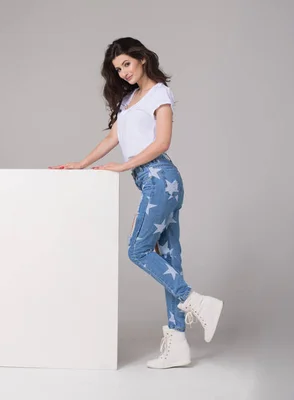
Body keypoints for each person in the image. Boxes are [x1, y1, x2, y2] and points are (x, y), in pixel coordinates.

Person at [50, 37, 223, 369]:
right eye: (118, 69)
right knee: (169, 258)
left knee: (138, 250)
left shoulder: (159, 93)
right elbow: (112, 138)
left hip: (160, 178)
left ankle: (196, 301)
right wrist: (81, 163)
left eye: (127, 64)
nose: (123, 72)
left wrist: (125, 165)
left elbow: (162, 142)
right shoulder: (129, 99)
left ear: (142, 59)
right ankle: (178, 344)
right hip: (153, 183)